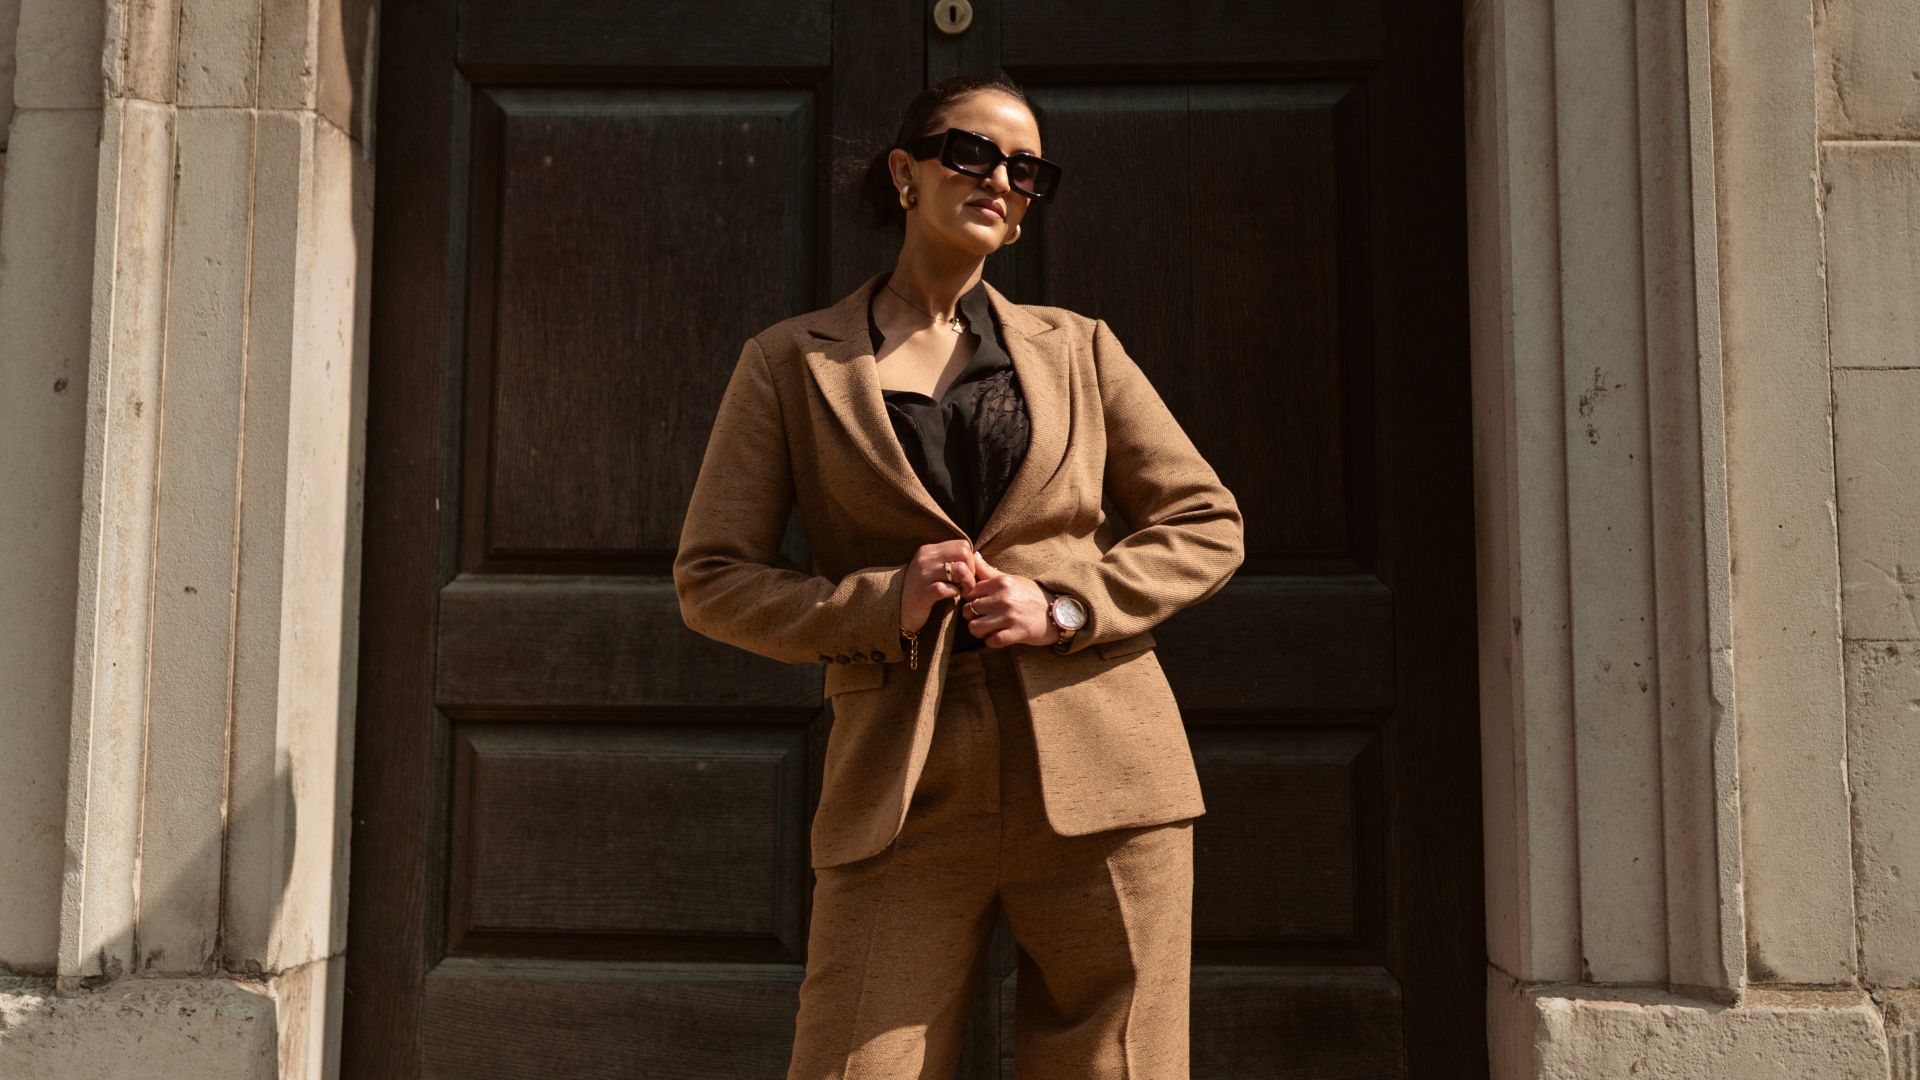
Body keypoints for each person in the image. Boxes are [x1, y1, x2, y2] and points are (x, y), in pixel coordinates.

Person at [673, 72, 1244, 1080]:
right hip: (902, 784)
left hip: (1105, 772)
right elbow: (713, 578)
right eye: (972, 153)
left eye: (1027, 171)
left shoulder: (1080, 350)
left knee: (1115, 1068)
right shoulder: (791, 364)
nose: (1001, 181)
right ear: (906, 171)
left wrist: (1066, 604)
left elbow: (1206, 522)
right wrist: (878, 602)